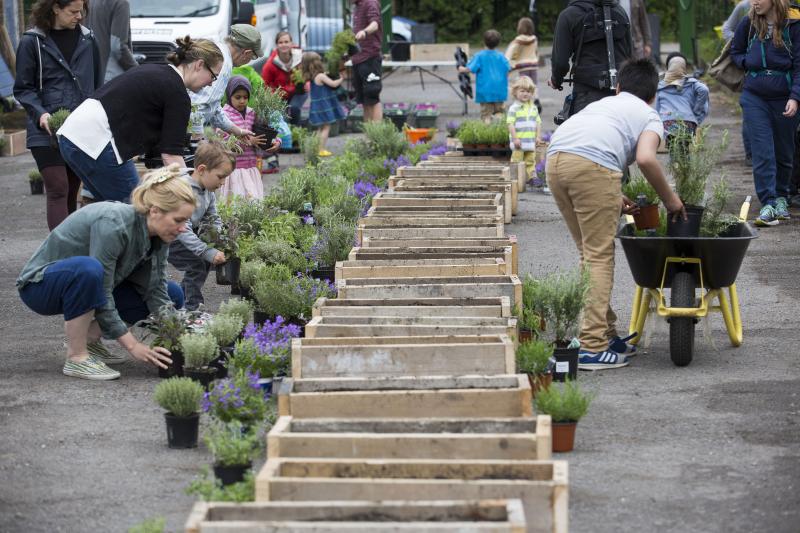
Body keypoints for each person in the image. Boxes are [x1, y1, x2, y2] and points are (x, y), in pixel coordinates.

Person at [546, 58, 685, 370]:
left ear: (619, 87)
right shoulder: (650, 115)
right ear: (653, 95)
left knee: (588, 253)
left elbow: (586, 147)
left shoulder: (604, 103)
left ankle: (605, 334)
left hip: (555, 160)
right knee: (598, 255)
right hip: (591, 165)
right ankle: (593, 347)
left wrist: (613, 191)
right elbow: (646, 159)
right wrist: (672, 201)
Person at [16, 165, 194, 380]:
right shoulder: (114, 223)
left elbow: (155, 289)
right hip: (41, 285)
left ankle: (90, 342)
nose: (183, 228)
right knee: (90, 270)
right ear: (155, 210)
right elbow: (102, 288)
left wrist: (179, 339)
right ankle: (76, 357)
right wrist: (133, 346)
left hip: (89, 282)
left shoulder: (159, 234)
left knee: (172, 293)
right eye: (178, 220)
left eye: (186, 221)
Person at [57, 36, 222, 203]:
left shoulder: (157, 70)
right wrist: (191, 195)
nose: (210, 84)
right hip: (97, 142)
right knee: (136, 210)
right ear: (199, 64)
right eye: (213, 76)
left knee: (104, 208)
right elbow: (171, 156)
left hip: (70, 134)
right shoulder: (177, 93)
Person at [13, 0, 102, 231]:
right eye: (73, 11)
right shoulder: (32, 42)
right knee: (58, 188)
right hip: (44, 129)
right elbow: (23, 88)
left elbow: (97, 85)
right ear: (55, 8)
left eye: (82, 10)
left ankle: (68, 252)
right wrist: (41, 115)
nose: (79, 16)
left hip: (79, 129)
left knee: (72, 191)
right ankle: (60, 252)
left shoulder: (88, 39)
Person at [730, 0, 800, 226]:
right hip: (754, 97)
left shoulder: (794, 24)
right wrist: (748, 62)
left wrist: (795, 97)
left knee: (784, 151)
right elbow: (736, 50)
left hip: (784, 97)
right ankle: (768, 202)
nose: (755, 2)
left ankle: (781, 197)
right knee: (762, 151)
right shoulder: (748, 22)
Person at [168, 141, 235, 310]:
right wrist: (206, 250)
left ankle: (182, 301)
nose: (222, 183)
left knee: (202, 262)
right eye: (220, 177)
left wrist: (220, 238)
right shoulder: (184, 191)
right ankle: (193, 307)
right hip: (171, 237)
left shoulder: (208, 190)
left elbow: (213, 217)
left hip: (186, 235)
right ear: (202, 170)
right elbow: (183, 230)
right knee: (197, 264)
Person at [549, 0, 633, 116]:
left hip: (587, 94)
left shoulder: (569, 15)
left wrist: (556, 80)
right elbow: (630, 55)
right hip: (621, 93)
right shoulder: (620, 11)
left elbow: (560, 63)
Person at [188, 24, 263, 141]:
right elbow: (197, 106)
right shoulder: (223, 65)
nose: (249, 61)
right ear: (246, 52)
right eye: (252, 56)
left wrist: (238, 131)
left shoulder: (219, 52)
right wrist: (197, 140)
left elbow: (213, 107)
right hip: (184, 132)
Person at [220, 76, 268, 199]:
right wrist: (248, 141)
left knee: (254, 201)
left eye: (245, 97)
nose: (242, 101)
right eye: (238, 97)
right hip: (234, 169)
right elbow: (223, 142)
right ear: (229, 96)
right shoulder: (224, 116)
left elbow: (265, 132)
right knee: (237, 202)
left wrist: (276, 141)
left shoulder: (252, 114)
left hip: (251, 166)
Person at [655, 52, 710, 146]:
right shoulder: (691, 83)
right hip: (687, 121)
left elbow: (658, 107)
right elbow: (704, 90)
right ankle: (683, 160)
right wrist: (696, 111)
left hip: (668, 121)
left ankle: (675, 161)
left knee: (673, 149)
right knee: (685, 149)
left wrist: (658, 122)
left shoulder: (661, 85)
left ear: (668, 66)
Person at [724, 0, 754, 165]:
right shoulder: (744, 7)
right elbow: (726, 29)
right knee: (749, 113)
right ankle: (750, 153)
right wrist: (739, 41)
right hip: (750, 70)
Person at [458, 29, 510, 123]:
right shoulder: (501, 56)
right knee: (500, 112)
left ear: (484, 42)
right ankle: (500, 130)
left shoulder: (480, 56)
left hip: (485, 91)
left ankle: (487, 133)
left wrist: (461, 68)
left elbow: (470, 68)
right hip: (499, 90)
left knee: (486, 114)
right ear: (498, 43)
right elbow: (508, 69)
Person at [302, 51, 344, 157]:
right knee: (326, 127)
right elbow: (333, 84)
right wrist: (341, 79)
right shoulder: (320, 76)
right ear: (316, 63)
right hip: (324, 105)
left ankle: (315, 148)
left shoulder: (312, 76)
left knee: (320, 128)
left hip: (317, 105)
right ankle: (321, 149)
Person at [84, 0, 138, 82]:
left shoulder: (89, 2)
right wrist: (136, 70)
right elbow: (117, 47)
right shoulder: (120, 3)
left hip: (90, 72)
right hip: (112, 76)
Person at [261, 31, 306, 126]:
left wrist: (307, 84)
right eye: (280, 42)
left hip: (299, 92)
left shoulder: (300, 58)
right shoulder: (270, 65)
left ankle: (296, 132)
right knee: (282, 118)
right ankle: (286, 136)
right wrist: (281, 93)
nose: (284, 45)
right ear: (277, 45)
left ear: (291, 43)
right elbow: (265, 86)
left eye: (286, 42)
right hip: (279, 96)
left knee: (294, 109)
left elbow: (308, 74)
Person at [351, 0, 383, 123]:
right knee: (364, 100)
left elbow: (375, 24)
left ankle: (376, 137)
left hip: (370, 57)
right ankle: (369, 136)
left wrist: (365, 32)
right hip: (358, 59)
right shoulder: (357, 6)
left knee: (372, 97)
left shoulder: (370, 3)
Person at [507, 76, 543, 183]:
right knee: (516, 161)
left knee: (530, 160)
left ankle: (531, 177)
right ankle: (514, 178)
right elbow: (510, 124)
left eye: (528, 91)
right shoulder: (514, 108)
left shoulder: (533, 108)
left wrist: (538, 136)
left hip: (530, 141)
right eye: (522, 91)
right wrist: (515, 139)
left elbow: (538, 122)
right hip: (519, 142)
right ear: (515, 92)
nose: (525, 94)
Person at [506, 17, 540, 88]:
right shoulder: (534, 39)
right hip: (533, 65)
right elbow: (536, 52)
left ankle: (525, 98)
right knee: (533, 85)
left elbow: (513, 53)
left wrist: (510, 66)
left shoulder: (518, 41)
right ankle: (534, 98)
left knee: (524, 86)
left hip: (523, 66)